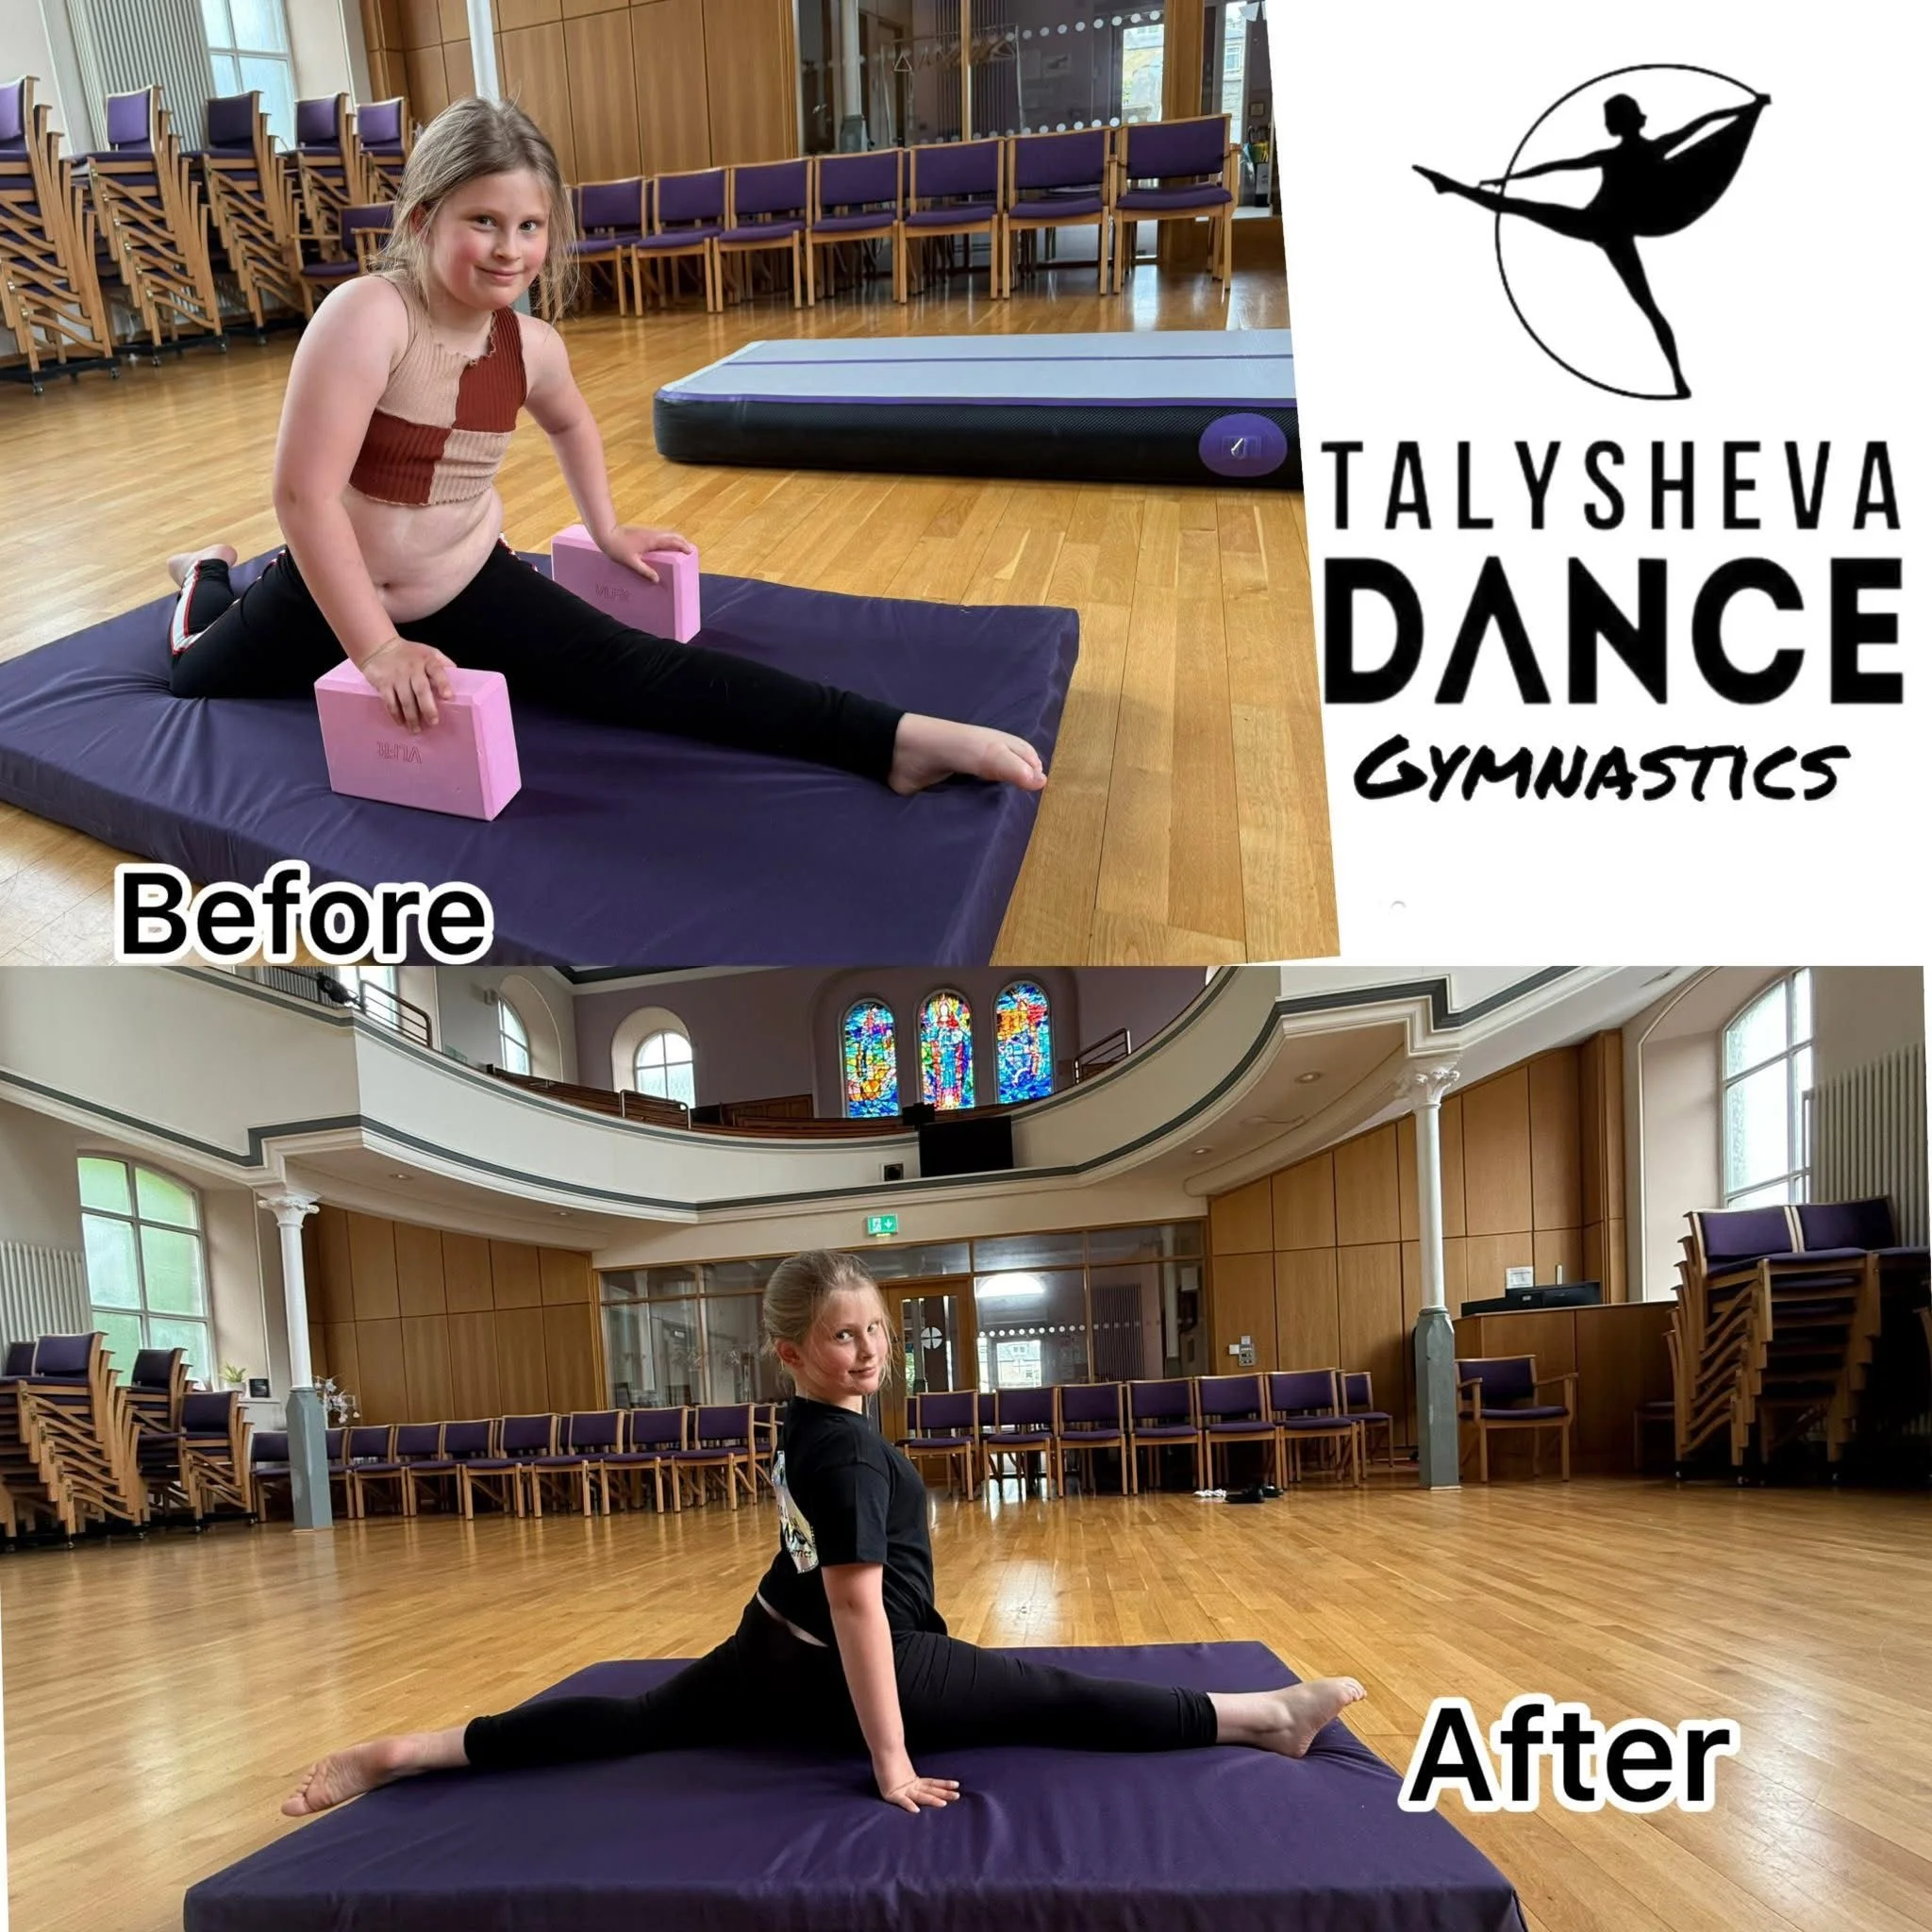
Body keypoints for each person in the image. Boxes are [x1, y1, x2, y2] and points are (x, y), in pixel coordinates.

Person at [165, 97, 1047, 800]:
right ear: (425, 217)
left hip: (460, 580)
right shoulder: (369, 315)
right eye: (484, 221)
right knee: (193, 676)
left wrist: (608, 528)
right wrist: (376, 650)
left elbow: (572, 424)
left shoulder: (532, 346)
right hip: (334, 594)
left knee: (637, 670)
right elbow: (304, 496)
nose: (510, 250)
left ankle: (891, 740)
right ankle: (208, 567)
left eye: (530, 226)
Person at [283, 1249, 1365, 1818]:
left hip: (767, 1641)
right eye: (842, 1336)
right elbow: (856, 1606)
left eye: (876, 1329)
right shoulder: (844, 1449)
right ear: (792, 1351)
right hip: (843, 1657)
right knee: (1054, 1694)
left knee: (635, 1719)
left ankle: (415, 1750)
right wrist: (889, 1761)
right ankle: (1261, 1716)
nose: (868, 1349)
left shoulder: (810, 1422)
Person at [1415, 90, 1770, 398]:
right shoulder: (1635, 151)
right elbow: (1702, 122)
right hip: (1603, 227)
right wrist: (1750, 108)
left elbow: (1701, 124)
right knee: (1521, 208)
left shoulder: (1632, 152)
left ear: (1617, 124)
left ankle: (1679, 379)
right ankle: (1678, 380)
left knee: (1520, 208)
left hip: (1607, 229)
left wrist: (1750, 109)